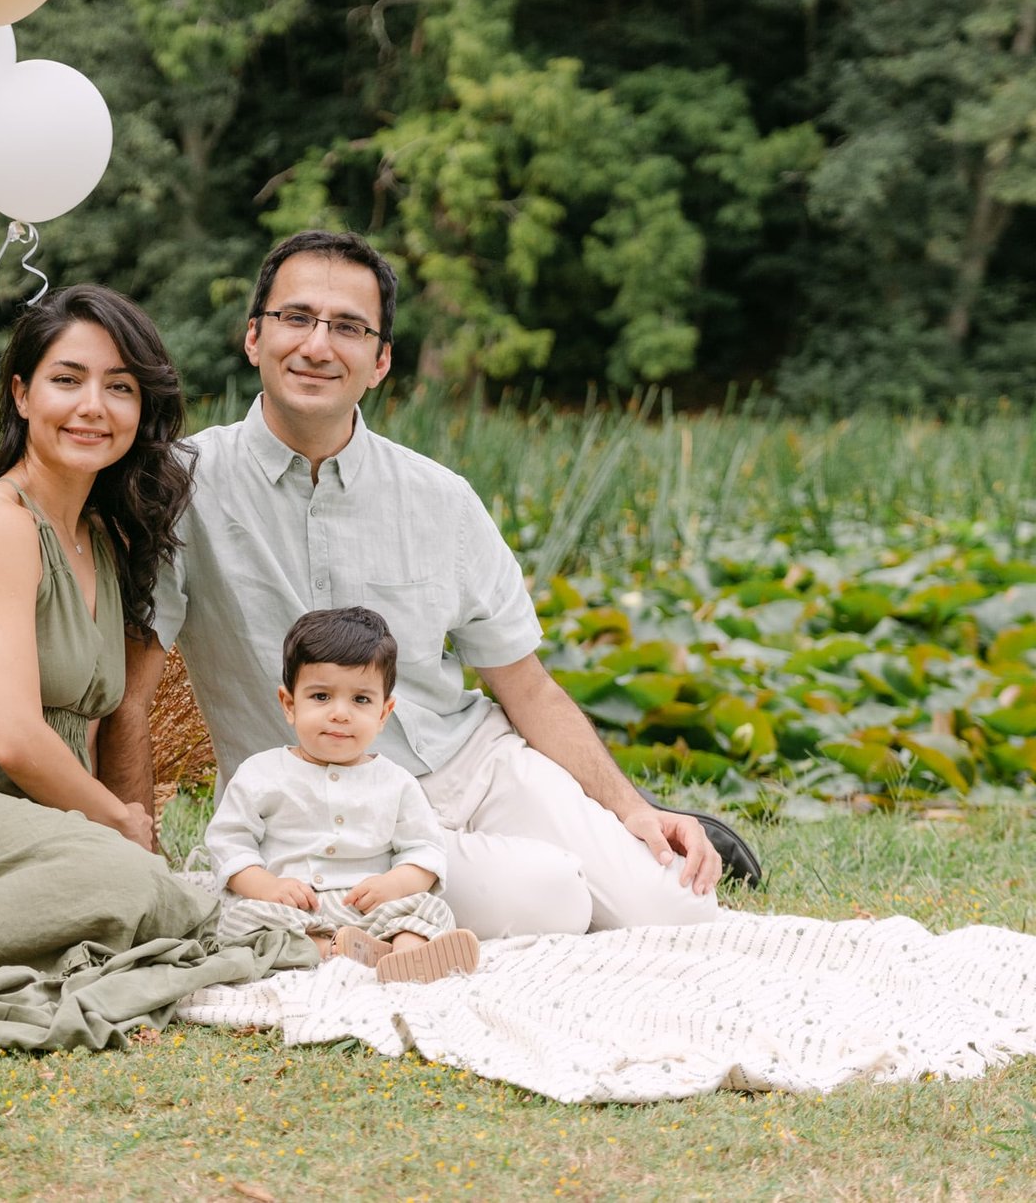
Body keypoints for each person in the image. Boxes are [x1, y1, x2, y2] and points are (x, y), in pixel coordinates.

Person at [99, 231, 724, 941]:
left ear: (381, 361)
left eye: (348, 328)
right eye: (295, 318)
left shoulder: (441, 496)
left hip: (472, 766)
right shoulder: (182, 486)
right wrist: (136, 862)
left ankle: (589, 850)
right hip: (318, 807)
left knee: (679, 911)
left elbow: (526, 686)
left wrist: (631, 808)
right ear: (253, 338)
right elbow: (130, 696)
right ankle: (532, 875)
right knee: (548, 900)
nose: (317, 344)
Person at [0, 284, 307, 973]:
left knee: (133, 882)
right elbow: (15, 737)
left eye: (119, 387)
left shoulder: (103, 537)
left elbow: (109, 715)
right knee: (125, 882)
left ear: (142, 410)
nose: (92, 407)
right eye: (66, 380)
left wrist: (126, 835)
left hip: (26, 813)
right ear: (22, 395)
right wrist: (116, 821)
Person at [206, 606, 480, 984]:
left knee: (429, 909)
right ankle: (327, 949)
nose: (340, 714)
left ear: (384, 713)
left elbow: (425, 851)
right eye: (320, 696)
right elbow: (229, 845)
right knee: (240, 922)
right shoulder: (262, 773)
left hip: (367, 909)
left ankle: (406, 953)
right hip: (293, 909)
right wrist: (269, 887)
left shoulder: (395, 782)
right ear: (290, 704)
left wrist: (393, 885)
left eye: (361, 700)